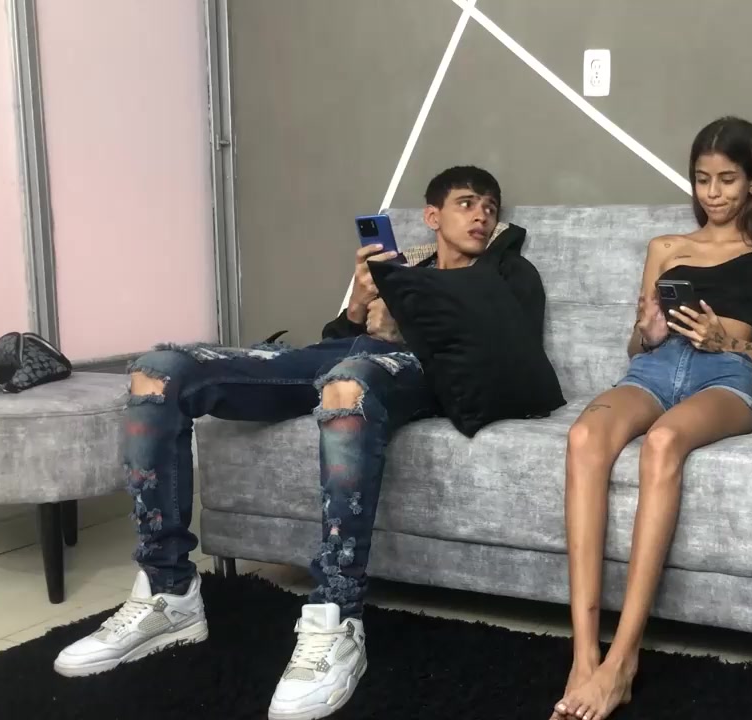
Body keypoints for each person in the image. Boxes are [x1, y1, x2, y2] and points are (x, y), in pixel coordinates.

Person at [52, 167, 545, 720]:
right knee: (159, 370)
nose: (482, 216)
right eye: (467, 203)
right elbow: (336, 341)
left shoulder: (507, 269)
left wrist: (416, 319)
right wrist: (359, 306)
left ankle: (337, 616)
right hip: (345, 355)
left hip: (418, 370)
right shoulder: (399, 266)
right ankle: (168, 594)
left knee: (348, 385)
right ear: (432, 216)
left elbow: (513, 352)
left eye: (490, 207)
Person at [552, 117, 752, 720]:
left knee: (663, 442)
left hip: (723, 377)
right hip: (655, 369)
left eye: (727, 179)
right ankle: (583, 657)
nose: (714, 192)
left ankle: (623, 660)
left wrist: (733, 343)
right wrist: (646, 332)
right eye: (703, 179)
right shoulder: (665, 247)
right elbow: (636, 345)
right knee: (585, 435)